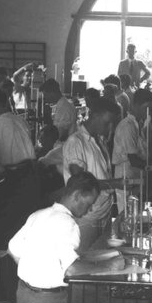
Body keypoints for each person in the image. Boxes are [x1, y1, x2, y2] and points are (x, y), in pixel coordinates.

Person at [9, 171, 122, 303]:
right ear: (76, 196)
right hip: (49, 301)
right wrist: (109, 266)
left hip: (24, 294)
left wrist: (35, 272)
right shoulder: (69, 223)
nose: (89, 210)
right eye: (89, 204)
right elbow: (71, 270)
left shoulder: (38, 214)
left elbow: (12, 248)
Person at [0, 88, 40, 285]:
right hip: (31, 175)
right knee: (24, 226)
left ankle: (6, 277)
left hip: (14, 178)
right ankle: (21, 275)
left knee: (5, 230)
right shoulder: (19, 120)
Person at [62, 97, 121, 249]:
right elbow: (81, 183)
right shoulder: (76, 142)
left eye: (112, 123)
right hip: (87, 216)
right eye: (107, 123)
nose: (110, 128)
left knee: (100, 256)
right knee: (84, 258)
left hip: (104, 212)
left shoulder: (99, 140)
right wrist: (115, 183)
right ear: (94, 116)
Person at [112, 88, 152, 200]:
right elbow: (133, 160)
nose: (148, 112)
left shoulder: (139, 124)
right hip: (126, 176)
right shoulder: (127, 126)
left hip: (137, 175)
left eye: (150, 108)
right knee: (128, 208)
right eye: (146, 108)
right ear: (136, 106)